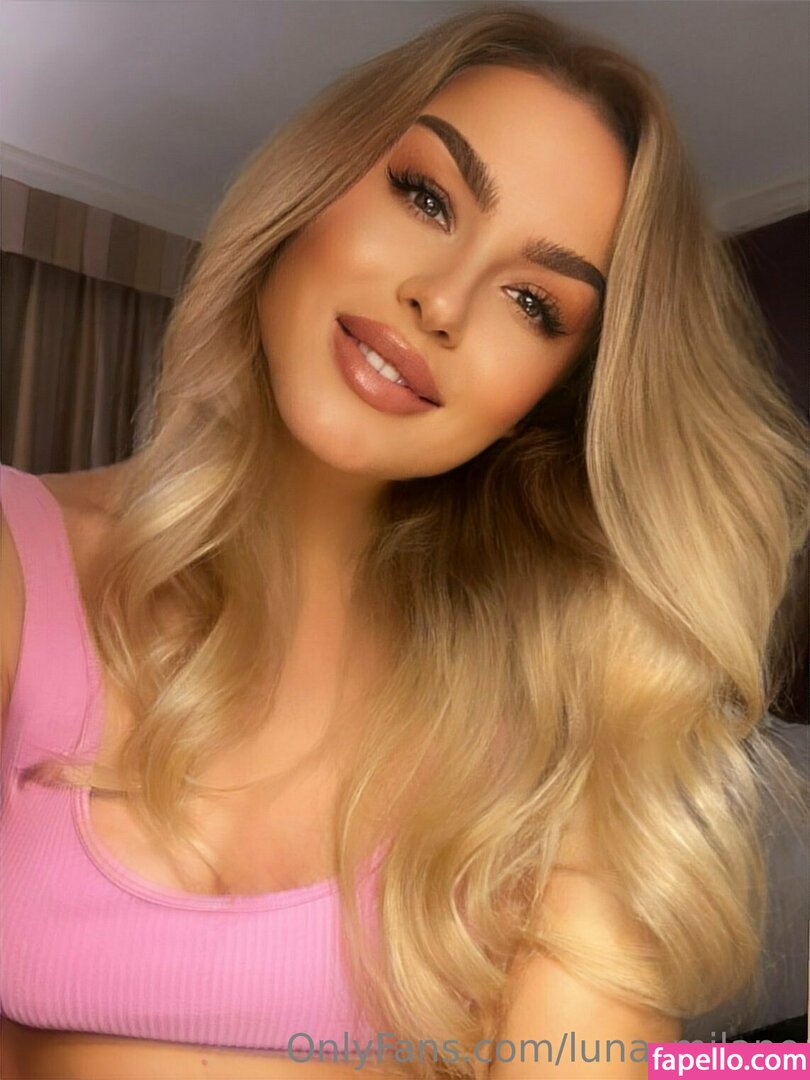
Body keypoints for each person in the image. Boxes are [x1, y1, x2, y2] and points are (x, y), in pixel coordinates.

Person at [1, 4, 806, 1079]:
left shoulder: (552, 717)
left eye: (534, 301)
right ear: (314, 184)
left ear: (549, 400)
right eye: (427, 196)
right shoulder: (18, 561)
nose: (442, 300)